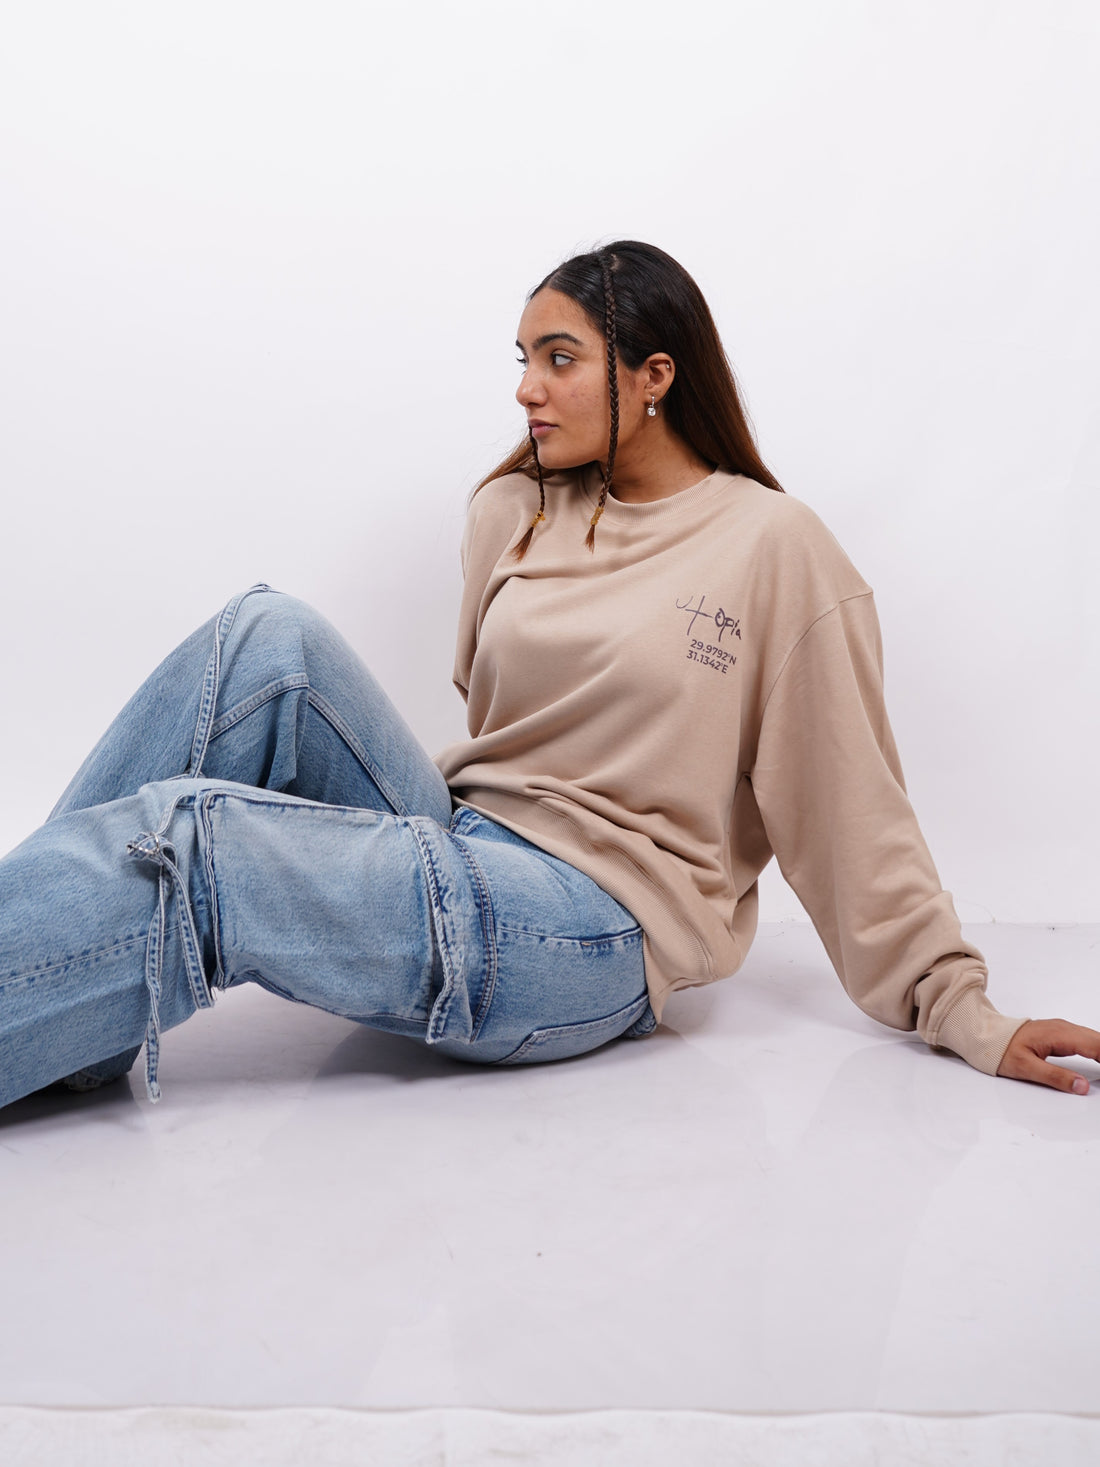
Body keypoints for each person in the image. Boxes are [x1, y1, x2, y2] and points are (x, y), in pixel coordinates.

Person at [2, 240, 1096, 1112]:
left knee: (201, 840)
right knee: (265, 636)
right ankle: (62, 1020)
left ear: (654, 377)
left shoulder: (773, 546)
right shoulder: (512, 510)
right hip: (470, 839)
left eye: (559, 359)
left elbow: (849, 802)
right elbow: (501, 723)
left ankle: (43, 1004)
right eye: (521, 358)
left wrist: (961, 1008)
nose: (527, 388)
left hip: (590, 926)